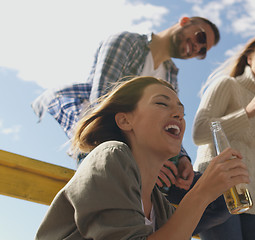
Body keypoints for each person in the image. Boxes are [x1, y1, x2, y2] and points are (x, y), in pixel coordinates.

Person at [35, 76, 250, 240]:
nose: (178, 115)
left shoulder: (161, 208)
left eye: (181, 112)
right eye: (162, 104)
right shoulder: (111, 155)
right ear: (125, 121)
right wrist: (201, 192)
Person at [31, 16, 220, 192]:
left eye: (203, 51)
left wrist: (182, 158)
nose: (197, 47)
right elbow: (103, 106)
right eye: (200, 36)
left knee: (214, 201)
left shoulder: (170, 76)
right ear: (185, 21)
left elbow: (169, 122)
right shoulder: (126, 43)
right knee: (117, 196)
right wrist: (146, 160)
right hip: (102, 140)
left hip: (143, 157)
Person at [191, 31, 255, 240]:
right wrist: (247, 112)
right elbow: (198, 132)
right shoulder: (227, 85)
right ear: (250, 57)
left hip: (250, 198)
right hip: (216, 189)